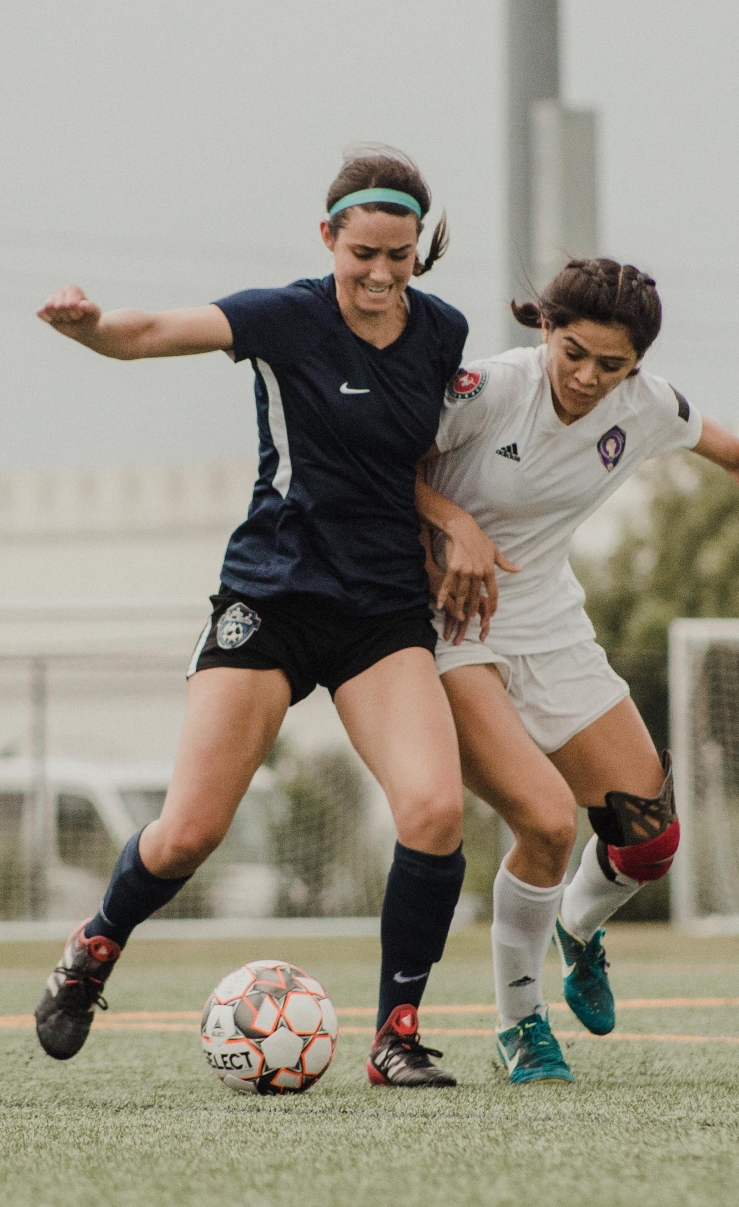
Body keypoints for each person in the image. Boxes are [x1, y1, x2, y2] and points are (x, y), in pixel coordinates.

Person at [30, 148, 474, 1087]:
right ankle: (94, 946)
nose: (381, 274)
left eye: (399, 256)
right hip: (271, 597)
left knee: (436, 811)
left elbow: (410, 462)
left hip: (381, 608)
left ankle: (396, 1035)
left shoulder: (443, 331)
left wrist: (453, 525)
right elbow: (154, 330)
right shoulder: (287, 316)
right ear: (328, 239)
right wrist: (91, 327)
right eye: (363, 254)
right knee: (188, 832)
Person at [415, 257, 739, 1084]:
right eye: (574, 352)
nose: (588, 377)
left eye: (613, 364)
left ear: (637, 365)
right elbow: (385, 465)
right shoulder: (487, 389)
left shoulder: (647, 405)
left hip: (551, 624)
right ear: (546, 328)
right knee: (548, 824)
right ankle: (520, 1023)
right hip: (451, 628)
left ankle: (577, 927)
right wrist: (452, 525)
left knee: (648, 838)